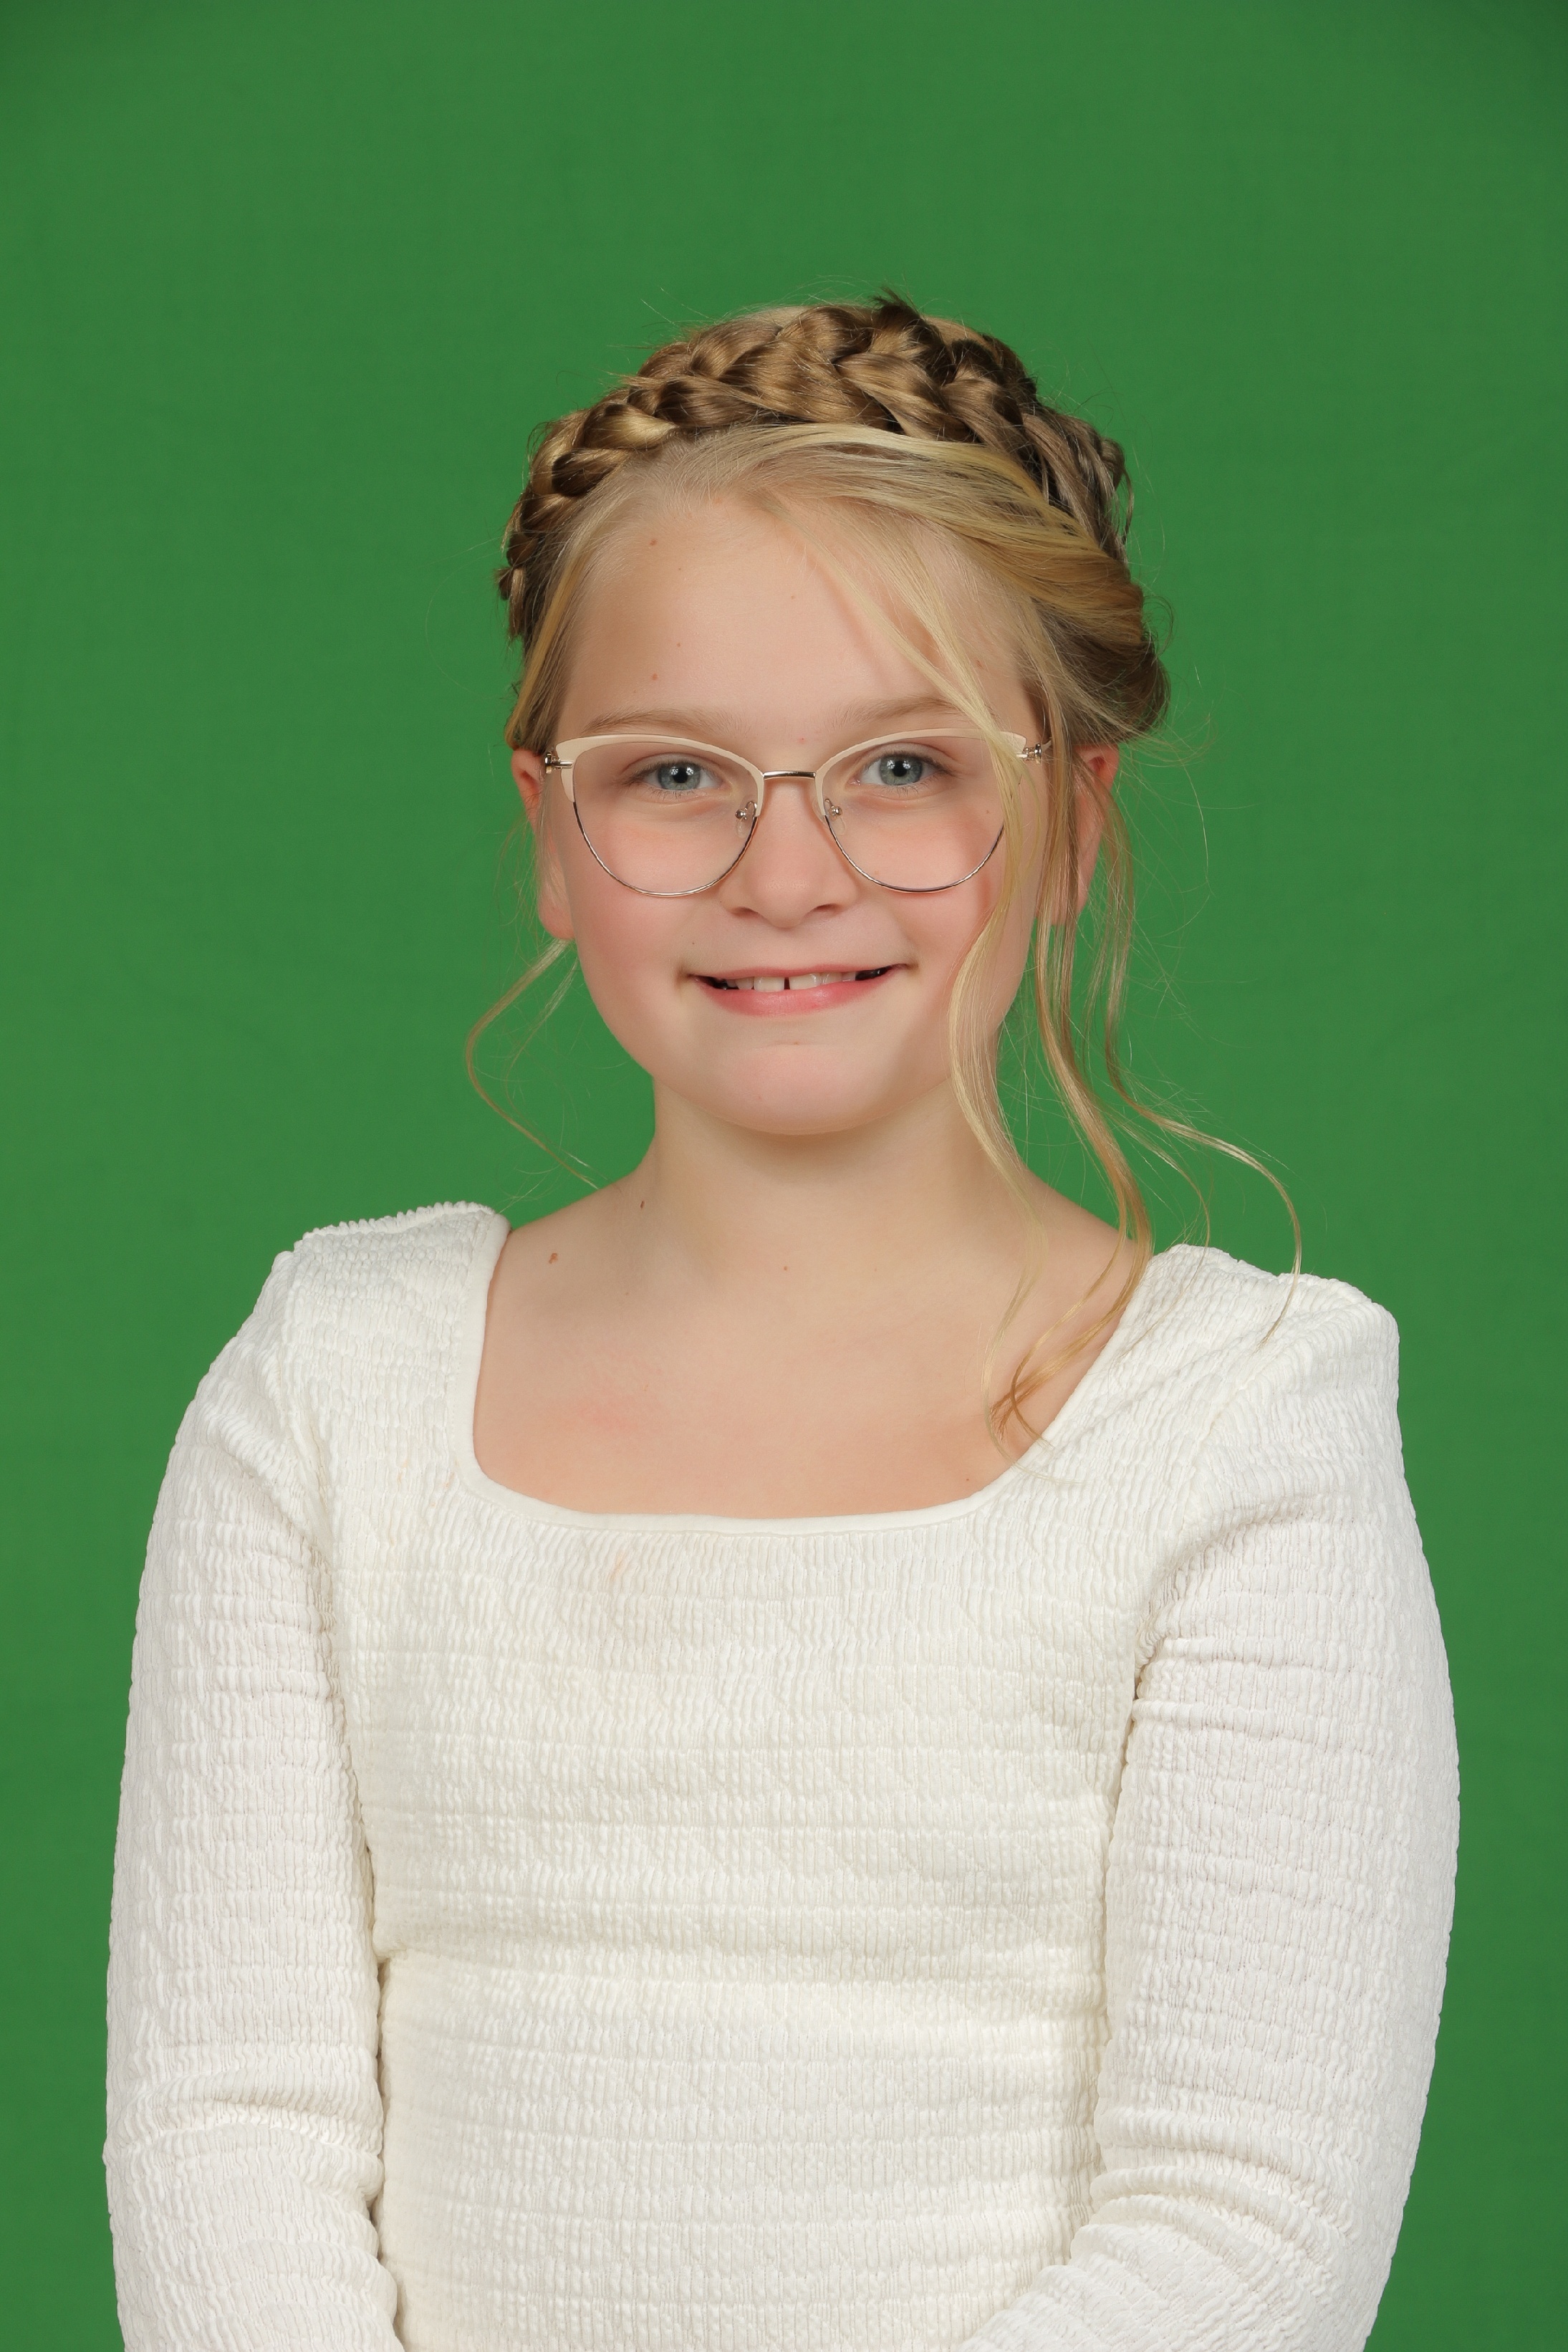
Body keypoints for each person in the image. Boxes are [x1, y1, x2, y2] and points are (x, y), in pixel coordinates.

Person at [104, 296, 1458, 2351]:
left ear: (1074, 824)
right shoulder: (334, 1384)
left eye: (904, 765)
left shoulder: (1239, 1421)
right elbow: (229, 2137)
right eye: (677, 774)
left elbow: (1243, 2227)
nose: (788, 869)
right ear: (554, 831)